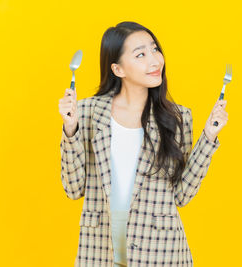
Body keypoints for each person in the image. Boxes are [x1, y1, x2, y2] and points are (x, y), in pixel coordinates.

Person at [58, 21, 228, 267]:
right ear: (118, 69)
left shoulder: (177, 118)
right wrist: (70, 129)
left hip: (160, 251)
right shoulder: (86, 112)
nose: (155, 60)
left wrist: (209, 137)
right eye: (141, 54)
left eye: (155, 49)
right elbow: (73, 188)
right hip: (99, 250)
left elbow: (181, 195)